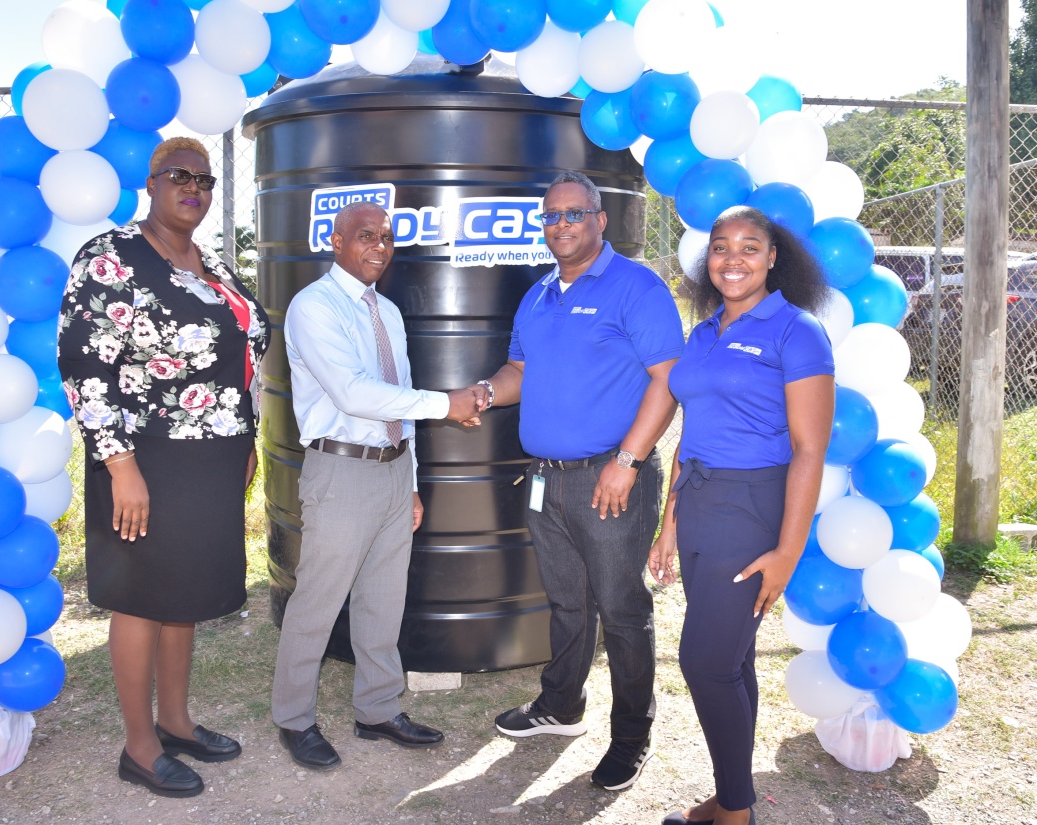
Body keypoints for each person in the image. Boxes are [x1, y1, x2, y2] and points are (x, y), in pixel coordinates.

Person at [58, 137, 270, 799]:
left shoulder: (215, 266)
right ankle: (140, 745)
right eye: (180, 175)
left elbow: (243, 361)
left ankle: (176, 721)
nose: (195, 187)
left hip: (211, 459)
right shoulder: (112, 258)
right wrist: (119, 464)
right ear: (150, 183)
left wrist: (247, 440)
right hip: (143, 459)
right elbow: (84, 366)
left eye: (205, 179)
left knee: (184, 595)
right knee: (143, 598)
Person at [468, 170, 684, 791]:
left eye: (573, 214)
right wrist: (485, 391)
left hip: (611, 479)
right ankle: (561, 707)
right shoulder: (538, 295)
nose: (560, 225)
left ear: (600, 219)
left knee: (621, 609)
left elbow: (666, 380)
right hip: (547, 481)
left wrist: (628, 462)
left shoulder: (636, 287)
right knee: (567, 601)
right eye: (551, 216)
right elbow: (518, 369)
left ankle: (631, 735)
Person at [272, 201, 480, 772]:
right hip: (341, 470)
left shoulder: (385, 311)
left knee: (383, 599)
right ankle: (293, 718)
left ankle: (378, 709)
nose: (379, 247)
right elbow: (355, 393)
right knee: (318, 599)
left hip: (392, 469)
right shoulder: (313, 307)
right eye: (366, 236)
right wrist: (449, 404)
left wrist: (409, 483)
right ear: (335, 242)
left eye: (386, 238)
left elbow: (399, 400)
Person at [650, 206, 835, 825]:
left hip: (752, 506)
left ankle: (734, 812)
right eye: (721, 248)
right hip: (699, 501)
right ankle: (735, 798)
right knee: (732, 661)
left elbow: (810, 449)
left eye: (749, 247)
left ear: (774, 257)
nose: (733, 260)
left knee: (704, 662)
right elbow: (690, 434)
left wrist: (787, 552)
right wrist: (668, 523)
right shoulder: (702, 334)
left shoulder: (796, 331)